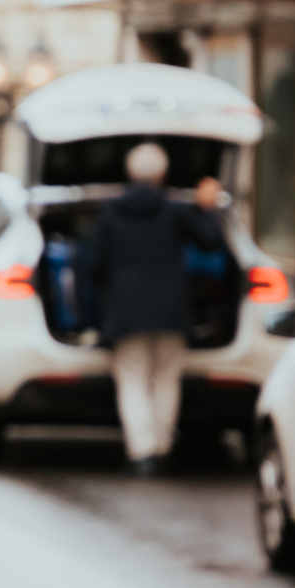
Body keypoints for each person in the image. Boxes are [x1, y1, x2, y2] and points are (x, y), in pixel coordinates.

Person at [94, 141, 224, 474]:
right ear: (164, 173)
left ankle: (142, 451)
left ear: (129, 173)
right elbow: (210, 240)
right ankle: (163, 447)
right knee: (166, 379)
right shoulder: (175, 211)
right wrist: (206, 206)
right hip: (171, 311)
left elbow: (94, 263)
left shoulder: (111, 212)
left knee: (133, 380)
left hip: (126, 313)